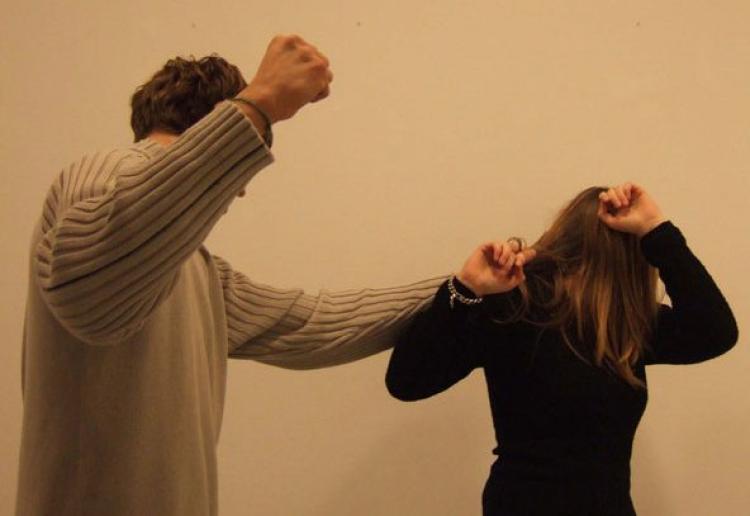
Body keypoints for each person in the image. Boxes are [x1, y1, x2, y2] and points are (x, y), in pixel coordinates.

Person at [16, 35, 444, 516]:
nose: (237, 193)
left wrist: (460, 290)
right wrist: (259, 105)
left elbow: (313, 322)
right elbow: (90, 297)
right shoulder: (107, 170)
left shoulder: (197, 272)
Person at [385, 183, 738, 515]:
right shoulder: (514, 307)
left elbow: (715, 331)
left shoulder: (625, 323)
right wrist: (464, 289)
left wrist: (656, 229)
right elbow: (408, 380)